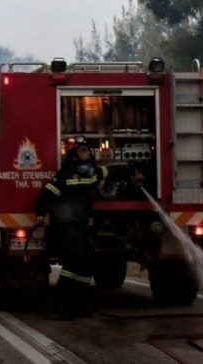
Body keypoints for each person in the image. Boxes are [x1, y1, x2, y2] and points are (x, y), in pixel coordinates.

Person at [34, 136, 144, 320]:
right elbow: (47, 194)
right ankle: (57, 301)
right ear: (74, 155)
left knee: (87, 262)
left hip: (80, 225)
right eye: (82, 150)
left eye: (87, 150)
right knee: (75, 261)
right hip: (66, 226)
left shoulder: (92, 174)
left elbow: (111, 171)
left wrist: (131, 170)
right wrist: (40, 213)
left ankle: (79, 306)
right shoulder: (65, 175)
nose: (86, 153)